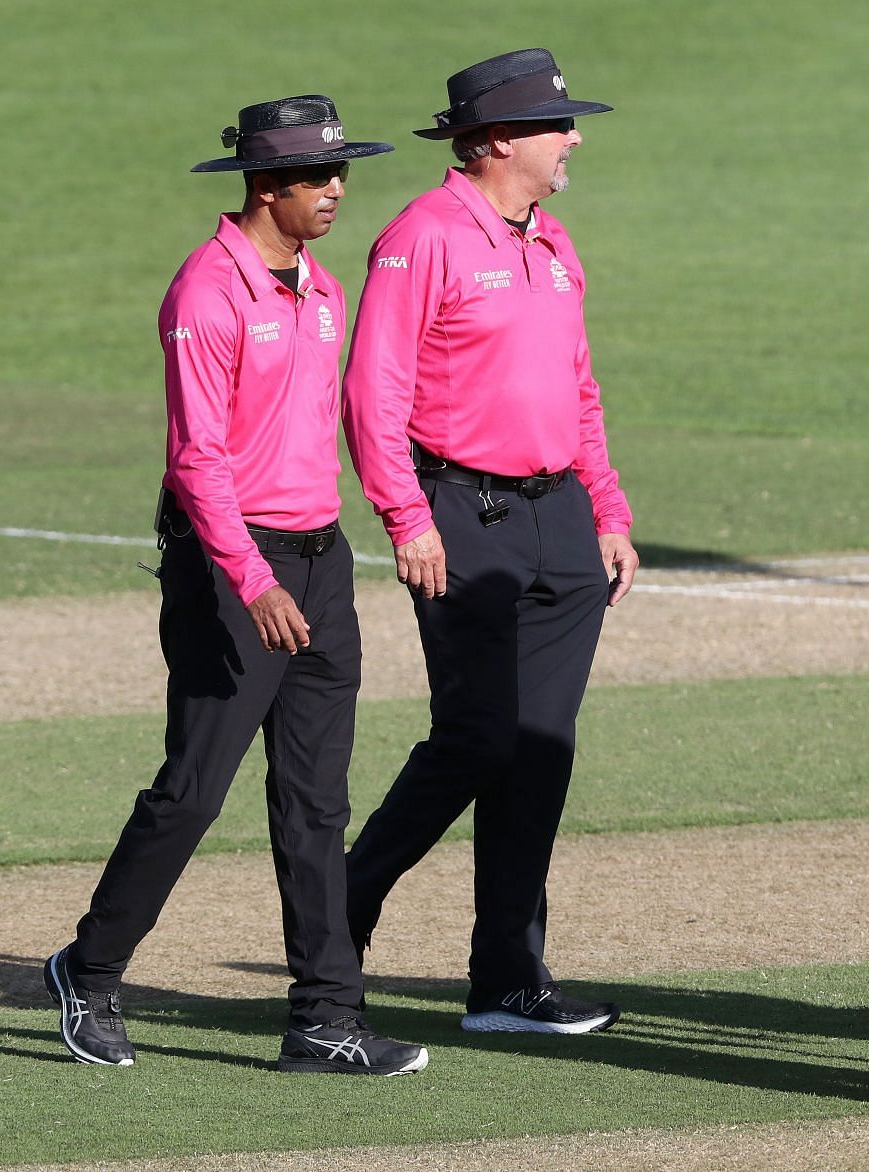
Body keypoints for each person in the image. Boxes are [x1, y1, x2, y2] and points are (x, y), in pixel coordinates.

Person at [44, 96, 428, 1075]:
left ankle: (325, 1018)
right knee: (192, 792)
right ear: (268, 187)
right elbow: (197, 460)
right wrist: (251, 579)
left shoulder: (326, 290)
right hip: (230, 572)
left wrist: (387, 521)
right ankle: (87, 971)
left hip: (320, 564)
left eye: (342, 173)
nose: (338, 191)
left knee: (317, 802)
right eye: (320, 178)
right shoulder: (206, 294)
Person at [341, 48, 638, 1035]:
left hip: (561, 519)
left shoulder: (554, 242)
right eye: (559, 125)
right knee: (477, 735)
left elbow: (580, 389)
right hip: (461, 512)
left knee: (540, 749)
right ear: (500, 140)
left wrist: (608, 507)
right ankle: (339, 916)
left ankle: (506, 978)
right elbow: (371, 390)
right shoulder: (419, 237)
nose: (575, 139)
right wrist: (406, 514)